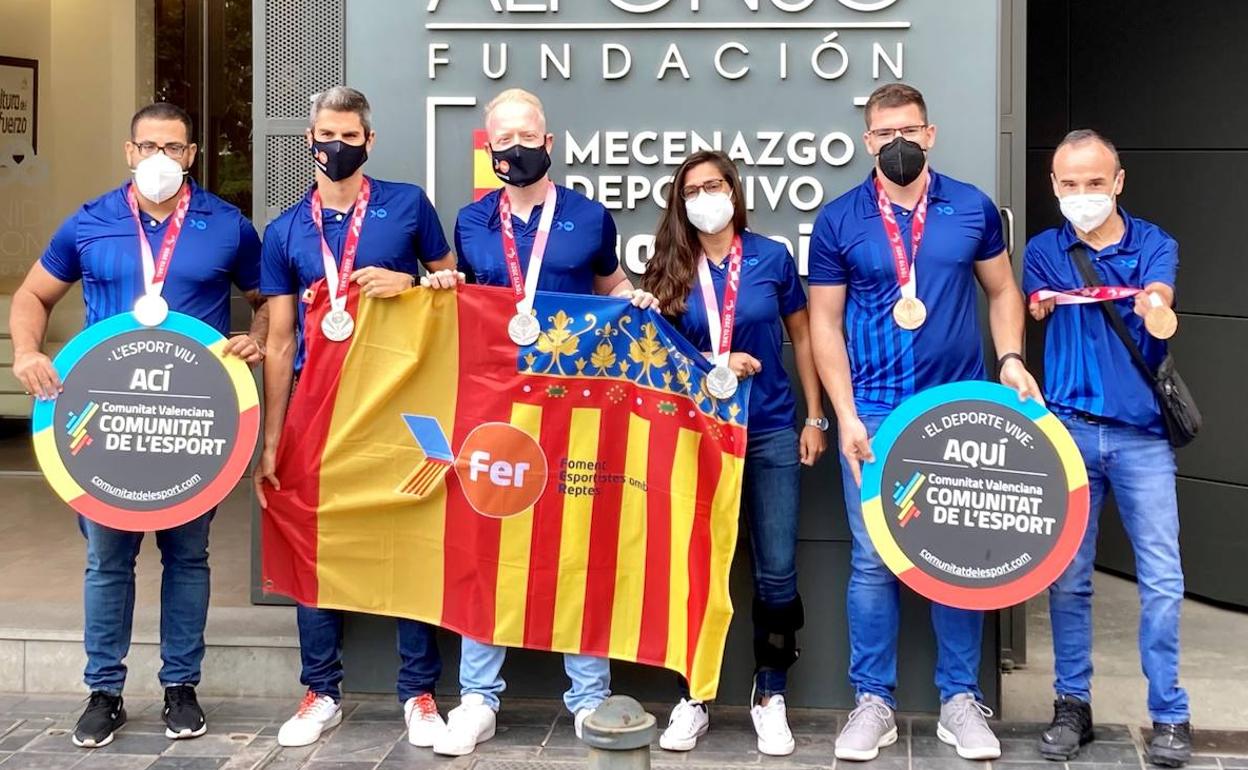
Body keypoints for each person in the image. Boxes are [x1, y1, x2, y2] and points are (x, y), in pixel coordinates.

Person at [10, 103, 268, 748]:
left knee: (188, 557)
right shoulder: (90, 222)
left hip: (191, 425)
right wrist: (27, 352)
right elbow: (32, 296)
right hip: (105, 423)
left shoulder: (227, 226)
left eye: (174, 147)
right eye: (149, 146)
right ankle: (104, 693)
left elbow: (270, 304)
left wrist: (255, 338)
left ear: (192, 155)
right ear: (129, 151)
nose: (161, 158)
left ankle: (181, 687)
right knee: (107, 561)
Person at [807, 83, 1041, 762]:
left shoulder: (970, 207)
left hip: (957, 409)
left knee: (959, 558)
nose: (896, 143)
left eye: (907, 130)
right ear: (866, 141)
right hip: (875, 413)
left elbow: (1002, 290)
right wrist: (845, 413)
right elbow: (823, 323)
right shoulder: (840, 220)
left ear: (930, 134)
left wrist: (1011, 359)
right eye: (882, 134)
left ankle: (959, 700)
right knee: (875, 561)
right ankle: (872, 702)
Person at [424, 87, 658, 758]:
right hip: (493, 406)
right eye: (502, 140)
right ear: (488, 147)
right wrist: (445, 288)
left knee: (576, 544)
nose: (515, 149)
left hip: (574, 410)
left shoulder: (589, 217)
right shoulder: (470, 221)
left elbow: (608, 286)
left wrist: (630, 296)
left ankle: (587, 698)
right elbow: (460, 295)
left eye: (526, 137)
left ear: (549, 144)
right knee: (484, 547)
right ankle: (476, 698)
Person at [254, 86, 457, 750]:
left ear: (369, 141)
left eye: (346, 136)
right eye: (323, 135)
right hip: (317, 409)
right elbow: (280, 342)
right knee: (315, 544)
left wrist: (413, 284)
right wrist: (272, 438)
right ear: (308, 140)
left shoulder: (407, 207)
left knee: (409, 538)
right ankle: (321, 690)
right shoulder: (285, 229)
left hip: (400, 405)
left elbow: (455, 291)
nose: (333, 147)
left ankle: (419, 694)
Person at [641, 150, 827, 757]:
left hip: (771, 429)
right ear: (680, 200)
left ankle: (770, 694)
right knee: (697, 568)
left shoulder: (771, 257)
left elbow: (804, 337)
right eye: (692, 190)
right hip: (694, 436)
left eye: (713, 185)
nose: (704, 197)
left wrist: (815, 416)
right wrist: (714, 363)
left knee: (775, 570)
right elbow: (655, 357)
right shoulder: (666, 264)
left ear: (734, 190)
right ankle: (692, 696)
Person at [1024, 129, 1191, 768]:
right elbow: (1039, 303)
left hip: (1143, 436)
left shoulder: (1155, 244)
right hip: (1066, 432)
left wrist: (1154, 305)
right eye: (1070, 184)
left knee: (1162, 578)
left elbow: (1160, 300)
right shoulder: (1043, 250)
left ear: (1117, 182)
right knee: (1068, 581)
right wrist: (1045, 306)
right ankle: (1073, 706)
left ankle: (1170, 713)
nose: (1083, 195)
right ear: (1055, 186)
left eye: (1095, 183)